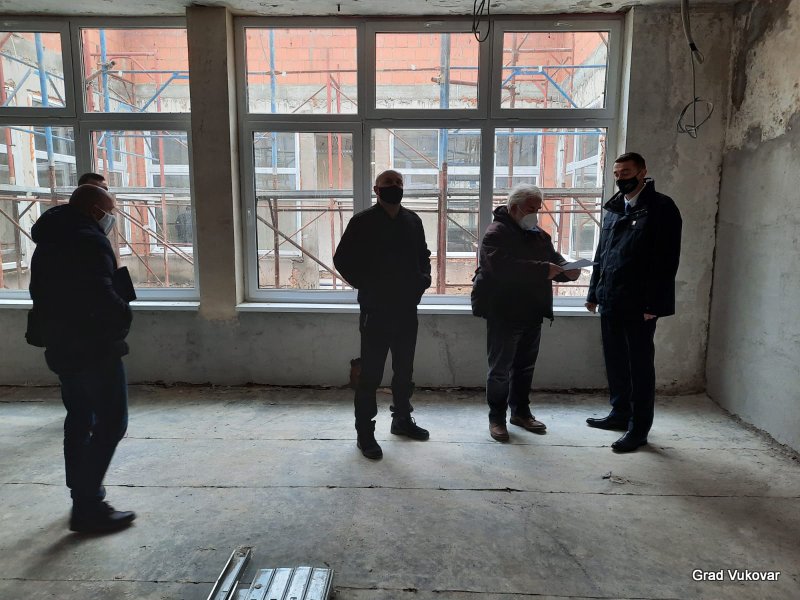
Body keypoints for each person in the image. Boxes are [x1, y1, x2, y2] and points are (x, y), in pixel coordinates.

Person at [27, 184, 137, 532]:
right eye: (110, 212)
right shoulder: (88, 241)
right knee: (112, 422)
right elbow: (100, 295)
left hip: (61, 346)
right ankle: (88, 505)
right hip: (93, 347)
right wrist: (123, 315)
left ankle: (82, 498)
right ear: (93, 210)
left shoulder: (49, 240)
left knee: (79, 419)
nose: (111, 218)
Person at [585, 152, 682, 453]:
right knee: (615, 361)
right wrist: (593, 292)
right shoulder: (615, 208)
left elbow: (666, 261)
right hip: (610, 300)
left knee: (639, 366)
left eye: (626, 172)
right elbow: (602, 255)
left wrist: (654, 305)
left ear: (642, 172)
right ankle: (619, 414)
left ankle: (638, 428)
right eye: (616, 174)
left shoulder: (661, 208)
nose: (620, 178)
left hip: (640, 305)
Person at [333, 169, 432, 460]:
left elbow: (423, 256)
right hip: (375, 310)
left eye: (399, 183)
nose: (394, 186)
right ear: (376, 189)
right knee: (371, 374)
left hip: (406, 309)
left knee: (404, 370)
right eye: (388, 183)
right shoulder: (362, 221)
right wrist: (367, 284)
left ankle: (402, 419)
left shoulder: (413, 221)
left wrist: (423, 280)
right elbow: (342, 259)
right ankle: (365, 432)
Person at [476, 183, 579, 442]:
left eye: (537, 209)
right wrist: (542, 269)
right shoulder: (496, 233)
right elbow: (499, 268)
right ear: (514, 208)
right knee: (500, 370)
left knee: (524, 367)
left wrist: (568, 270)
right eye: (530, 209)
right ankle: (497, 418)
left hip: (533, 310)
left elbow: (553, 260)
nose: (535, 214)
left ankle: (520, 413)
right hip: (504, 312)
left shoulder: (538, 235)